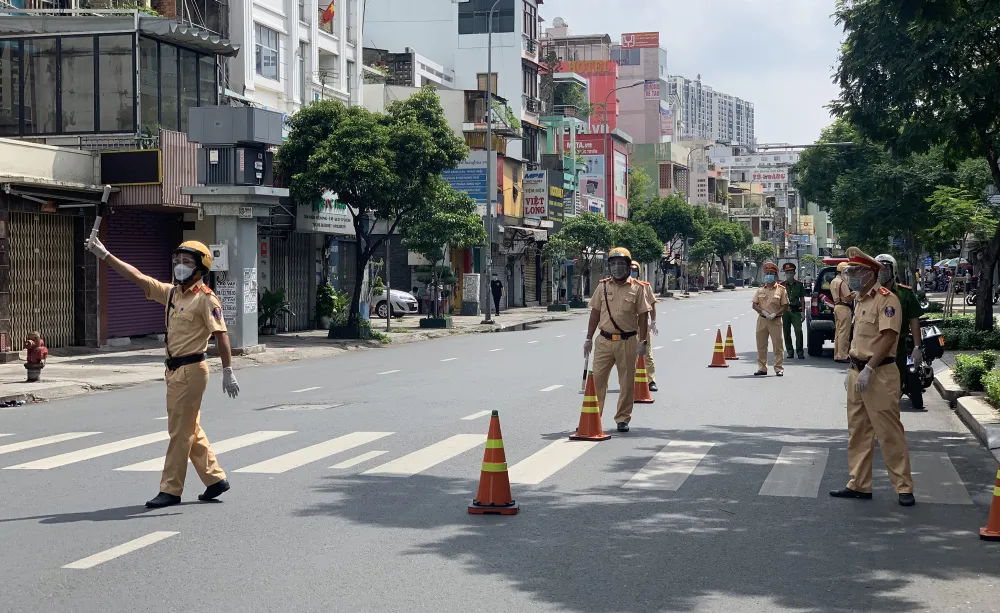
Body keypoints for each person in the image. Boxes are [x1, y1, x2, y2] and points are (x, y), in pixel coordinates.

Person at [84, 237, 240, 509]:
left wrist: (228, 370)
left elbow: (221, 335)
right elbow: (138, 278)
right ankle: (214, 479)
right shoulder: (172, 294)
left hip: (192, 369)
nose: (180, 266)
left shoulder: (206, 299)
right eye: (177, 260)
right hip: (173, 370)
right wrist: (105, 255)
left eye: (187, 262)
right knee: (189, 427)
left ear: (201, 268)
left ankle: (171, 489)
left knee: (179, 433)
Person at [830, 247, 915, 507]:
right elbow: (859, 337)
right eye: (850, 271)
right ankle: (859, 484)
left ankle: (903, 488)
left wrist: (869, 368)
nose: (851, 275)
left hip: (879, 373)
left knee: (888, 432)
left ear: (871, 274)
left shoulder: (887, 300)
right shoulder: (859, 299)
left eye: (856, 271)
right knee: (858, 431)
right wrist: (854, 368)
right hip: (858, 372)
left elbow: (889, 337)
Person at [583, 247, 652, 432]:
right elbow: (595, 313)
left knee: (627, 382)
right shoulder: (603, 286)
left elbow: (644, 316)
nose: (617, 268)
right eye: (613, 264)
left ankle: (622, 418)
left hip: (628, 341)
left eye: (621, 264)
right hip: (604, 341)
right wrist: (588, 338)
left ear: (629, 266)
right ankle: (593, 417)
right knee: (597, 380)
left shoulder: (637, 288)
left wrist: (642, 341)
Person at [874, 254, 924, 401]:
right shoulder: (870, 294)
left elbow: (914, 321)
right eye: (879, 269)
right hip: (874, 345)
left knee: (895, 386)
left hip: (898, 347)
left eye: (885, 269)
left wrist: (917, 347)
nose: (882, 272)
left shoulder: (905, 293)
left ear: (893, 271)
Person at [751, 261, 789, 376]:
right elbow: (754, 304)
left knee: (777, 345)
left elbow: (785, 305)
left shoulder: (781, 290)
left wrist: (775, 314)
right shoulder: (760, 289)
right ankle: (762, 368)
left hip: (775, 320)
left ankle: (778, 368)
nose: (768, 275)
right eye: (767, 273)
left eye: (771, 273)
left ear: (775, 275)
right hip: (762, 319)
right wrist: (763, 312)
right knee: (761, 344)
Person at [631, 260, 659, 392]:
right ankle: (631, 380)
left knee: (647, 354)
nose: (632, 272)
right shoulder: (623, 287)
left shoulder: (645, 286)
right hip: (627, 327)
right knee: (629, 356)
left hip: (642, 326)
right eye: (630, 269)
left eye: (635, 270)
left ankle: (651, 380)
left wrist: (653, 321)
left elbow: (652, 304)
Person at [781, 262, 807, 360]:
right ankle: (790, 351)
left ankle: (800, 352)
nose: (789, 274)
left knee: (798, 331)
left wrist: (803, 312)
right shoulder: (782, 285)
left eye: (791, 272)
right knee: (786, 332)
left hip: (796, 311)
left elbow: (802, 299)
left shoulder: (799, 285)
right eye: (787, 272)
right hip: (785, 311)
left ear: (794, 272)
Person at [830, 262, 854, 363]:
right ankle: (843, 355)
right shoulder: (842, 282)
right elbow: (848, 298)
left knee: (838, 332)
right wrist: (855, 294)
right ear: (843, 271)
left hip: (836, 307)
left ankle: (837, 354)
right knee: (844, 333)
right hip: (844, 307)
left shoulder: (833, 281)